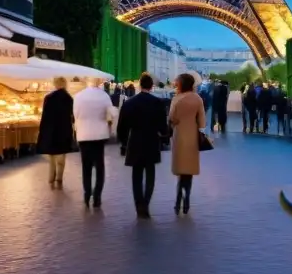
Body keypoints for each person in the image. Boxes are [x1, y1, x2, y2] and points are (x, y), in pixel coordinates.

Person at [117, 73, 168, 219]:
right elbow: (163, 127)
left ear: (140, 85)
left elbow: (122, 126)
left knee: (136, 174)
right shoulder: (158, 103)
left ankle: (138, 204)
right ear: (151, 86)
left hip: (135, 141)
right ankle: (146, 202)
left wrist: (124, 141)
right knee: (150, 173)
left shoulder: (129, 103)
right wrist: (164, 136)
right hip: (151, 141)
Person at [73, 81, 117, 208]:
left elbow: (76, 114)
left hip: (84, 135)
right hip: (99, 135)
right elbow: (112, 113)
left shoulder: (78, 96)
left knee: (86, 167)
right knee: (99, 167)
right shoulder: (104, 96)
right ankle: (97, 195)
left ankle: (87, 194)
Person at [169, 72, 206, 215]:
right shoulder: (197, 99)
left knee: (180, 170)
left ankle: (178, 200)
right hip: (192, 136)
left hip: (179, 136)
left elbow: (172, 118)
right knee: (188, 171)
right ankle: (187, 200)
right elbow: (202, 120)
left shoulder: (177, 99)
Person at [36, 76, 76, 188]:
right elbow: (72, 116)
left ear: (55, 84)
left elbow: (44, 116)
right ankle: (59, 176)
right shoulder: (69, 98)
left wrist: (42, 130)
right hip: (64, 129)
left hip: (50, 128)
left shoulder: (48, 97)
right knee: (62, 153)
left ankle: (51, 176)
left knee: (52, 154)